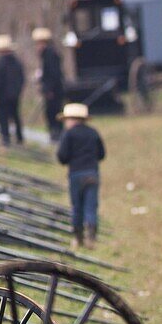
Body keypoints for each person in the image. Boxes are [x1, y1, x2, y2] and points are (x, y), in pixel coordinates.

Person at [56, 103, 105, 249]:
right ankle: (91, 235)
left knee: (77, 207)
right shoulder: (93, 132)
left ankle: (78, 238)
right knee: (91, 206)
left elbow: (62, 156)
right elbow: (101, 154)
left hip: (76, 174)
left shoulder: (68, 134)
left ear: (71, 119)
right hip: (92, 174)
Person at [0, 34, 25, 147]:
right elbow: (22, 79)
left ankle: (5, 138)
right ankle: (19, 137)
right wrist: (18, 91)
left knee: (3, 117)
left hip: (3, 97)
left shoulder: (0, 64)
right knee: (15, 116)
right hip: (15, 95)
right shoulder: (17, 62)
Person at [33, 27, 65, 142]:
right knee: (51, 112)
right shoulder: (47, 54)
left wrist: (49, 90)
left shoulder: (50, 54)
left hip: (53, 90)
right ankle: (55, 133)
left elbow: (53, 74)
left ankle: (57, 134)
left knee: (53, 112)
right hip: (51, 89)